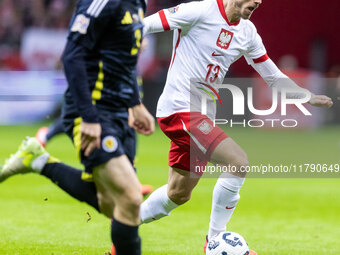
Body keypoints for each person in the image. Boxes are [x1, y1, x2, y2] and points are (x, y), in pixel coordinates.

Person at [138, 0, 333, 254]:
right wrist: (117, 43)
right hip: (179, 109)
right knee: (238, 162)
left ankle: (124, 220)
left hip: (202, 117)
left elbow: (272, 76)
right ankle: (215, 242)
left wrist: (306, 96)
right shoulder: (198, 10)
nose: (259, 2)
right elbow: (143, 25)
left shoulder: (247, 32)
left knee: (178, 193)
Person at [0, 0, 154, 254]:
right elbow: (72, 55)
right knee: (130, 198)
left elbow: (124, 59)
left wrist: (135, 104)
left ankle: (38, 161)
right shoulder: (102, 3)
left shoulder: (138, 2)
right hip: (94, 109)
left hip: (119, 110)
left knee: (111, 205)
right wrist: (90, 118)